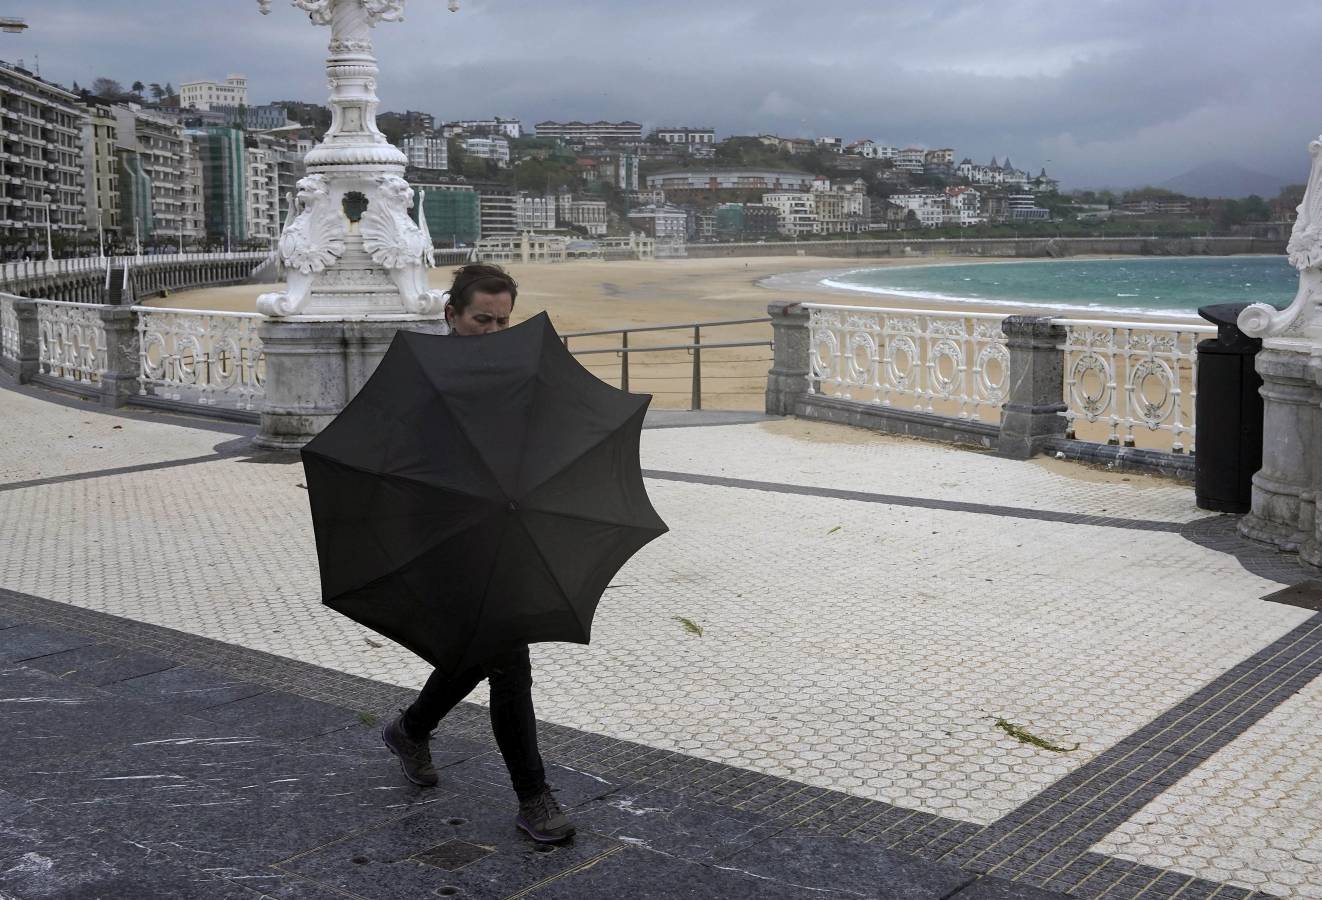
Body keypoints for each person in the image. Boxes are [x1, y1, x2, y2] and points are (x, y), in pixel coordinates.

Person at [381, 263, 575, 844]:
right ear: (451, 315)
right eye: (480, 320)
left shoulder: (516, 373)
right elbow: (400, 462)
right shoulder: (421, 375)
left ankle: (411, 729)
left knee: (476, 653)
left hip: (505, 529)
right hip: (444, 537)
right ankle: (533, 797)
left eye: (502, 321)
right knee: (509, 663)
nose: (492, 331)